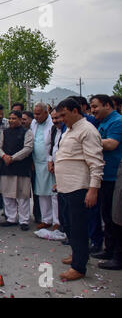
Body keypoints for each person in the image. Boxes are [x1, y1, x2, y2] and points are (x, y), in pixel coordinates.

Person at [55, 98, 104, 281]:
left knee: (78, 228)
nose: (61, 119)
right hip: (65, 187)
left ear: (75, 111)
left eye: (64, 115)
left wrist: (93, 189)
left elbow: (96, 163)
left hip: (79, 188)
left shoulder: (87, 130)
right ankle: (77, 254)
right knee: (66, 223)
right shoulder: (69, 130)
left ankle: (79, 267)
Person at [89, 94, 122, 270]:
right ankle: (109, 250)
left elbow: (111, 144)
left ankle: (118, 256)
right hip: (104, 175)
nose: (93, 110)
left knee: (116, 217)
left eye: (95, 106)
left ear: (108, 105)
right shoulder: (102, 122)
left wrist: (89, 141)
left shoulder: (117, 121)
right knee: (107, 216)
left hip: (115, 176)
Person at [0, 110, 34, 231]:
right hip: (6, 167)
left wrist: (13, 158)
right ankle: (11, 218)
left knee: (22, 195)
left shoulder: (27, 132)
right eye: (10, 118)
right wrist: (4, 156)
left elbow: (28, 148)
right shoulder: (5, 132)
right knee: (7, 195)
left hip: (22, 167)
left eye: (14, 118)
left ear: (19, 120)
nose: (11, 121)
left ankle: (24, 220)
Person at [31, 103, 56, 229]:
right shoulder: (34, 124)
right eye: (34, 113)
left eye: (38, 113)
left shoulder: (52, 124)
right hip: (37, 163)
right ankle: (46, 219)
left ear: (46, 113)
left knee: (53, 193)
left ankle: (57, 221)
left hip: (49, 162)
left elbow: (53, 144)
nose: (36, 116)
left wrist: (51, 160)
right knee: (41, 193)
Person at [46, 109, 65, 232]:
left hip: (65, 167)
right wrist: (50, 161)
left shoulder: (67, 130)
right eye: (52, 118)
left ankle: (63, 224)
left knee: (63, 196)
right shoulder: (53, 129)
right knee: (55, 195)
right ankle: (57, 221)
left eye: (57, 118)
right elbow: (51, 146)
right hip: (54, 165)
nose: (54, 121)